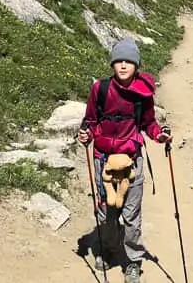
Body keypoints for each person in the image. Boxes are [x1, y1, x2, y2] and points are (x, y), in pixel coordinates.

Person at [78, 38, 171, 283]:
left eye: (128, 61)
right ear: (112, 63)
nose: (122, 65)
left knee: (131, 214)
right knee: (107, 211)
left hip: (132, 160)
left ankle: (132, 261)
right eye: (118, 60)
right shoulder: (100, 89)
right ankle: (108, 250)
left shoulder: (143, 94)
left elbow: (148, 123)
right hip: (104, 159)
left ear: (136, 65)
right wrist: (85, 134)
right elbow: (89, 120)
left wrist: (159, 135)